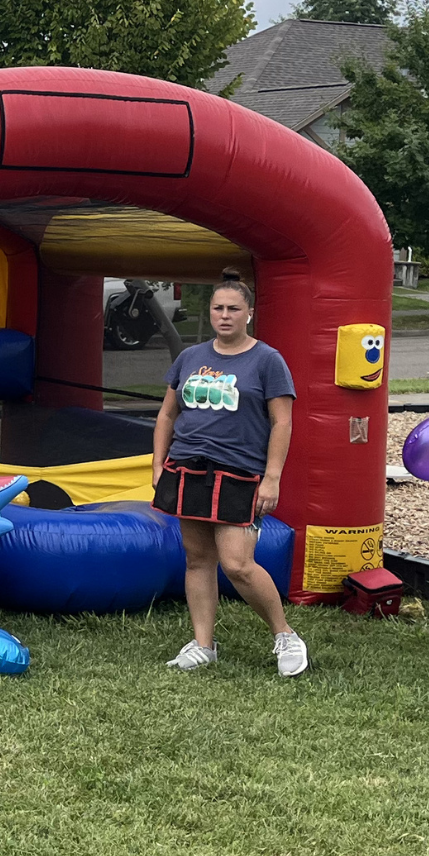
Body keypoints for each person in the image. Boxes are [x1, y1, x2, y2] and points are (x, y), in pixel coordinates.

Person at [152, 268, 308, 677]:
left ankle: (285, 635)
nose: (225, 315)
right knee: (197, 559)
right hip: (187, 466)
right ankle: (203, 645)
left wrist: (272, 477)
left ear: (249, 313)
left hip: (240, 472)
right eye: (218, 308)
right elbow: (168, 413)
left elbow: (283, 423)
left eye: (233, 309)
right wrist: (158, 464)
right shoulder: (190, 357)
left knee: (238, 564)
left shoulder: (268, 361)